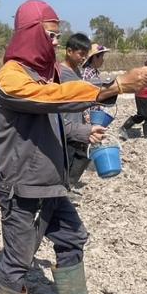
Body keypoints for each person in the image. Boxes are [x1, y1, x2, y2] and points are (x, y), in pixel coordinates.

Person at [0, 0, 147, 294]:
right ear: (31, 34)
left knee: (72, 236)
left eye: (56, 36)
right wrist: (114, 86)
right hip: (23, 184)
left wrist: (85, 133)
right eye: (50, 35)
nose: (54, 43)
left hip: (50, 180)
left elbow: (61, 115)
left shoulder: (46, 75)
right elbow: (51, 99)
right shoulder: (12, 78)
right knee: (20, 256)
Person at [58, 33, 101, 186]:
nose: (83, 58)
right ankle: (59, 194)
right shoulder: (60, 73)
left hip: (78, 123)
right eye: (81, 54)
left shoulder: (77, 72)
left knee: (82, 155)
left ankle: (67, 188)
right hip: (65, 125)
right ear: (69, 51)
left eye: (85, 55)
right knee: (65, 160)